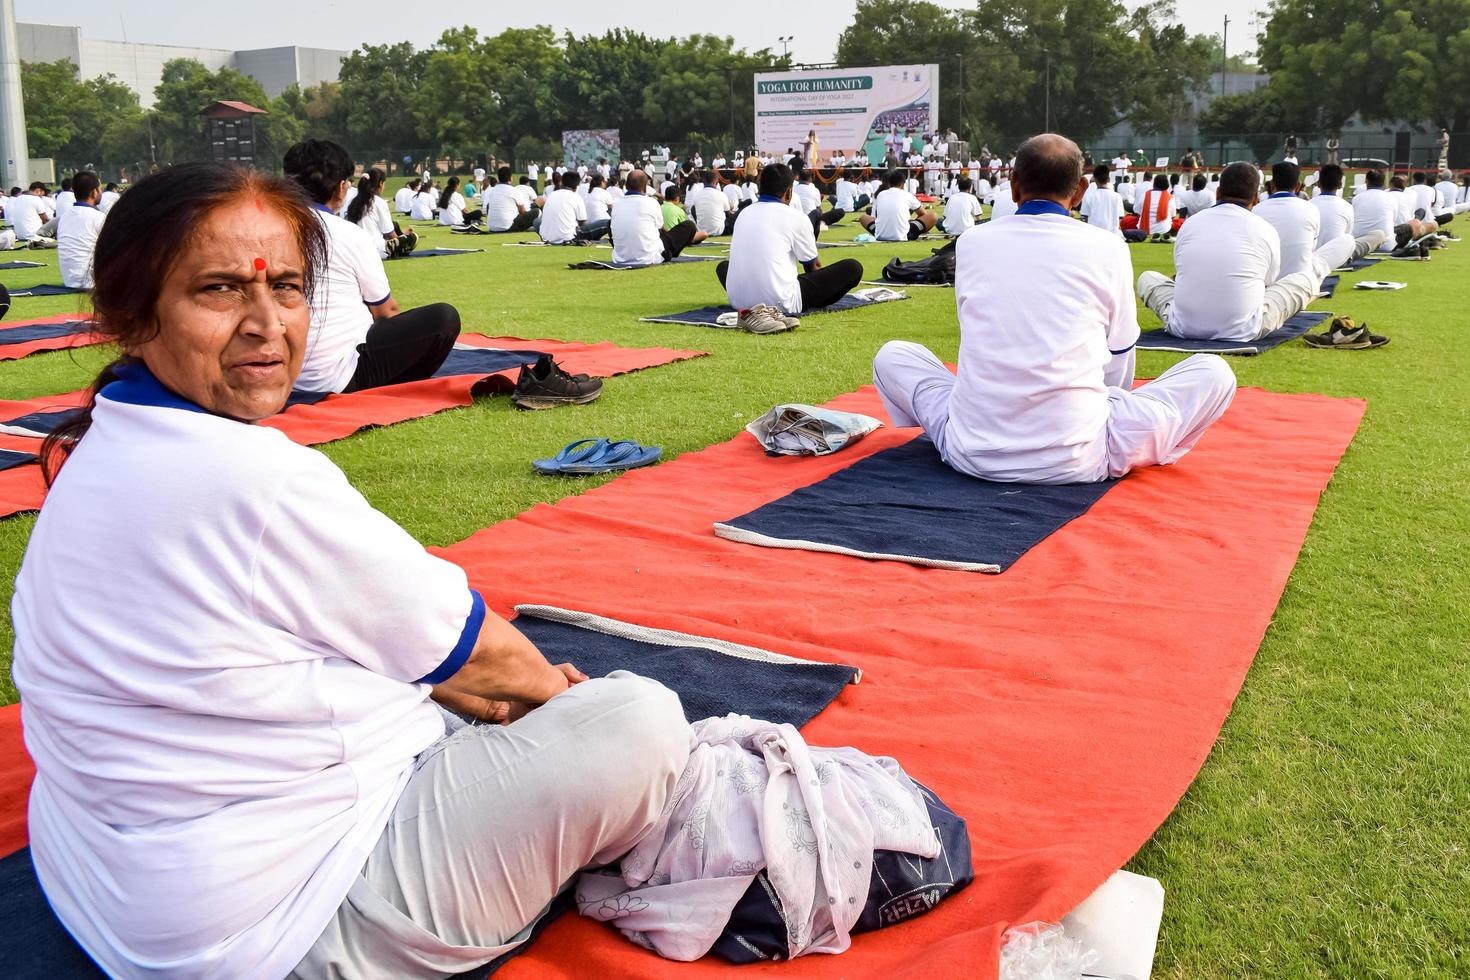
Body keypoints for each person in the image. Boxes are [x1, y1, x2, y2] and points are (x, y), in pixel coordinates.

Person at [13, 161, 689, 980]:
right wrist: (557, 708)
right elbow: (489, 658)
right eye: (221, 291)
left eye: (288, 288)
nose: (268, 324)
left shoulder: (100, 441)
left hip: (104, 890)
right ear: (132, 313)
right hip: (281, 931)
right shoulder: (251, 479)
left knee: (433, 684)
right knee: (636, 720)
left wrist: (453, 688)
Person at [872, 133, 1235, 485]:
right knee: (1214, 372)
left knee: (894, 356)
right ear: (1079, 191)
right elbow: (1120, 353)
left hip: (971, 449)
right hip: (1080, 455)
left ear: (1014, 186)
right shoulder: (1107, 246)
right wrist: (1100, 407)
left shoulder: (972, 242)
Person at [284, 139, 460, 392]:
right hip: (340, 375)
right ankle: (398, 385)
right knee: (444, 318)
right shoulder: (346, 233)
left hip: (280, 376)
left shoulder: (262, 231)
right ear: (341, 188)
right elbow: (386, 312)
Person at [1137, 161, 1363, 343]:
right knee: (1305, 279)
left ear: (1218, 193)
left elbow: (1181, 273)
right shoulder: (1263, 227)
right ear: (1256, 197)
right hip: (1243, 329)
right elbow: (1269, 281)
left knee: (1148, 278)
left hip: (1183, 326)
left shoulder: (1191, 224)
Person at [715, 162, 863, 318]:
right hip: (781, 303)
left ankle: (754, 294)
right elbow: (813, 267)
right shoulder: (796, 217)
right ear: (789, 192)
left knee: (723, 266)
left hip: (738, 300)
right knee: (853, 268)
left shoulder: (743, 214)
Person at [610, 170, 706, 266]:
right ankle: (671, 251)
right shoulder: (651, 202)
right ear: (646, 187)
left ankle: (625, 252)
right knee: (689, 226)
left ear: (626, 185)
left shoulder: (617, 204)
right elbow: (660, 228)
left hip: (620, 258)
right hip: (649, 257)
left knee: (609, 223)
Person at [1252, 162, 1320, 277]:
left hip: (1265, 280)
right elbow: (1312, 247)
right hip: (1300, 280)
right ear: (1298, 185)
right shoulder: (1312, 209)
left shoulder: (1257, 210)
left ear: (1272, 184)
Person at [347, 168, 418, 259]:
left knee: (393, 226)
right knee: (413, 238)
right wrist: (401, 239)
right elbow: (390, 234)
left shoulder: (352, 202)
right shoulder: (379, 202)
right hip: (376, 249)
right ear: (380, 184)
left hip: (355, 249)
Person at [56, 170, 106, 289]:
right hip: (91, 281)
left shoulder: (64, 217)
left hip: (69, 280)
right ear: (94, 192)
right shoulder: (98, 217)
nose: (101, 192)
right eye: (100, 189)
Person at [859, 170, 936, 240]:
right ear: (902, 184)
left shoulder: (880, 194)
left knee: (863, 217)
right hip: (903, 235)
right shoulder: (907, 195)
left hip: (880, 234)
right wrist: (911, 223)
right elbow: (923, 214)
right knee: (933, 216)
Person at [539, 170, 610, 244]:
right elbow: (582, 222)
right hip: (569, 236)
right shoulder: (576, 197)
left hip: (546, 236)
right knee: (607, 222)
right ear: (576, 186)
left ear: (562, 182)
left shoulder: (551, 195)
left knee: (537, 221)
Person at [1351, 169, 1402, 253]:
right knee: (1410, 226)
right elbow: (1394, 220)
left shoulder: (1357, 198)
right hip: (1385, 245)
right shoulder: (1391, 198)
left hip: (1360, 245)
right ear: (1384, 182)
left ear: (1366, 181)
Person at [1079, 163, 1126, 239]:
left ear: (1094, 179)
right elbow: (1120, 218)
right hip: (1112, 236)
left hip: (1093, 236)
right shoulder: (1117, 197)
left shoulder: (1088, 196)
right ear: (1108, 179)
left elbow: (1084, 218)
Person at [486, 166, 538, 233]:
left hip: (492, 227)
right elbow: (522, 211)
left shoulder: (493, 191)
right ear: (510, 178)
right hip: (508, 227)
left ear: (498, 178)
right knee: (537, 211)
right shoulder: (514, 190)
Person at [690, 170, 734, 237]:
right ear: (716, 181)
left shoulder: (697, 195)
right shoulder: (721, 194)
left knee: (694, 208)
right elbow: (728, 214)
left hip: (701, 230)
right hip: (719, 230)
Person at [1136, 173, 1176, 241]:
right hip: (1164, 230)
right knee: (1179, 222)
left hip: (1144, 230)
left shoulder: (1144, 195)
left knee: (1129, 220)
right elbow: (1173, 216)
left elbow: (1138, 212)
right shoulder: (1170, 197)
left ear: (1154, 184)